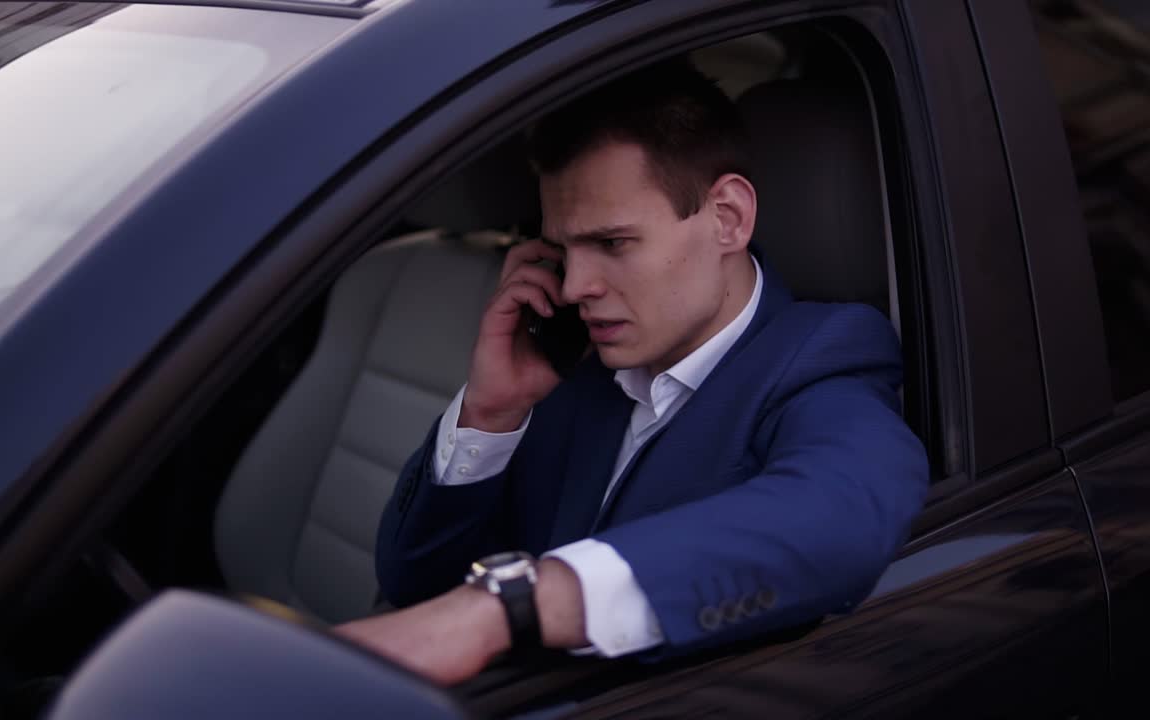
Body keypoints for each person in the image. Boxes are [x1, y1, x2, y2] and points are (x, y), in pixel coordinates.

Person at [335, 58, 929, 684]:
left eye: (613, 244)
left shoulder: (822, 357)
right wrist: (491, 414)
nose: (576, 285)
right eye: (563, 251)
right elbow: (414, 586)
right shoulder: (575, 375)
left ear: (727, 217)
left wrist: (509, 608)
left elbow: (844, 512)